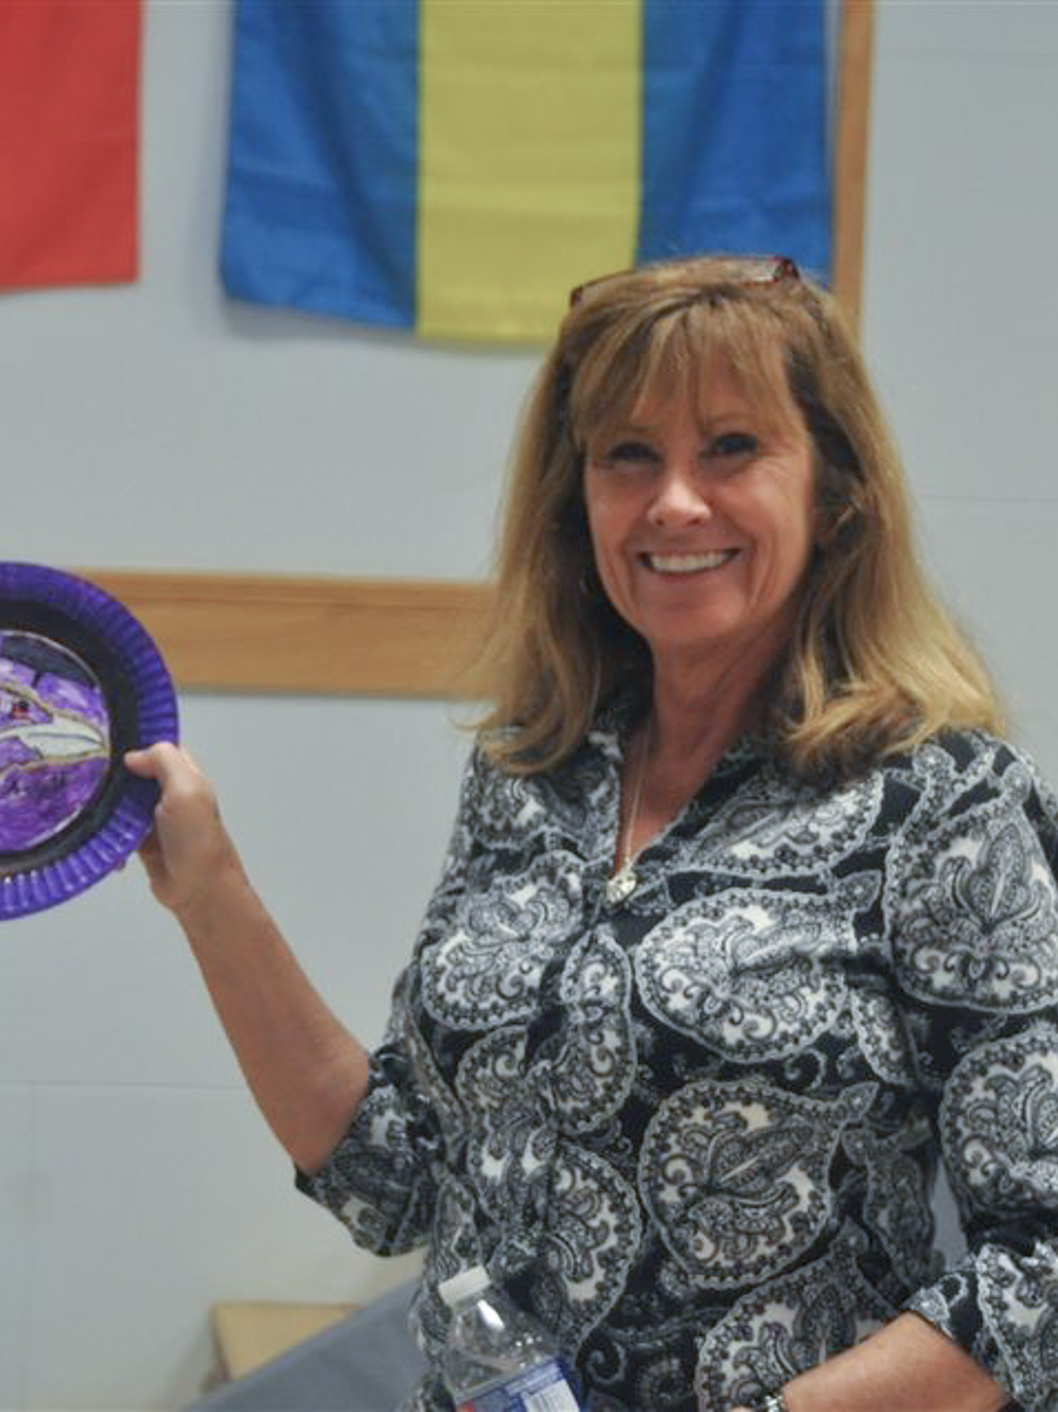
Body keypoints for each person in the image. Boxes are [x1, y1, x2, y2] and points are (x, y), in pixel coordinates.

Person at [125, 255, 1058, 1412]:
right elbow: (392, 1177)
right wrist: (210, 892)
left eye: (730, 446)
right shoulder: (530, 775)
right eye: (628, 454)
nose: (673, 501)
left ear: (833, 492)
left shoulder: (943, 802)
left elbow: (1041, 1268)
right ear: (578, 504)